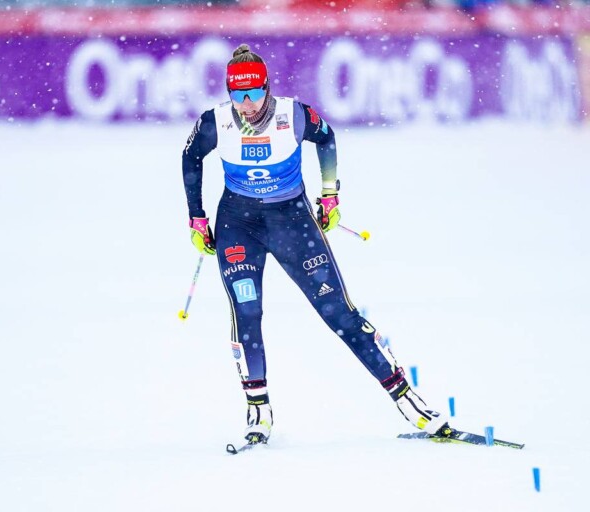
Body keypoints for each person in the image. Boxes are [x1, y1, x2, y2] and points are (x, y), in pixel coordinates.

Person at [181, 43, 448, 446]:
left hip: (292, 223)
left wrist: (330, 194)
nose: (247, 104)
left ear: (267, 87)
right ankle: (258, 410)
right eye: (238, 94)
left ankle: (409, 401)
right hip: (238, 225)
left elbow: (327, 139)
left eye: (254, 93)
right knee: (247, 311)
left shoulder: (294, 115)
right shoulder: (215, 122)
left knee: (338, 313)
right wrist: (197, 217)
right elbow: (190, 158)